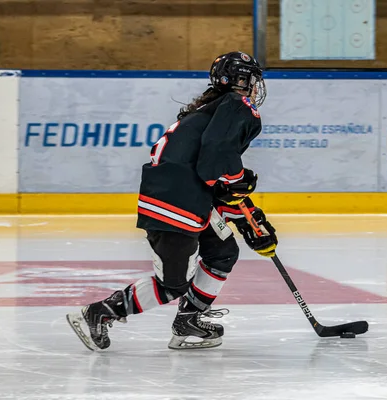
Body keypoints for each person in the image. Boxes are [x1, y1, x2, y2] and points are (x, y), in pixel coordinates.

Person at [67, 51, 278, 351]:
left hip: (182, 198)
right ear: (239, 81)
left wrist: (247, 216)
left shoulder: (210, 109)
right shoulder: (236, 105)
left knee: (222, 252)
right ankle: (100, 312)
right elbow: (214, 164)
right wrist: (237, 180)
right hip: (175, 205)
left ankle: (189, 321)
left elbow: (209, 175)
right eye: (250, 79)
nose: (255, 87)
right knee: (172, 286)